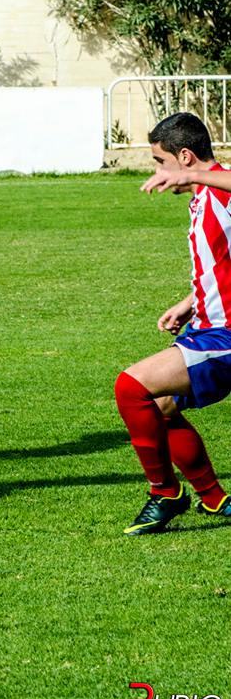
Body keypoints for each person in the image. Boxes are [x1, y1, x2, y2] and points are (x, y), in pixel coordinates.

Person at [115, 112, 231, 535]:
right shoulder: (205, 194)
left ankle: (165, 493)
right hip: (206, 324)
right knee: (160, 407)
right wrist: (189, 302)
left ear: (185, 156)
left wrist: (201, 174)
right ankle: (215, 499)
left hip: (227, 334)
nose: (159, 173)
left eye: (160, 162)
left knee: (131, 387)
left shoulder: (218, 191)